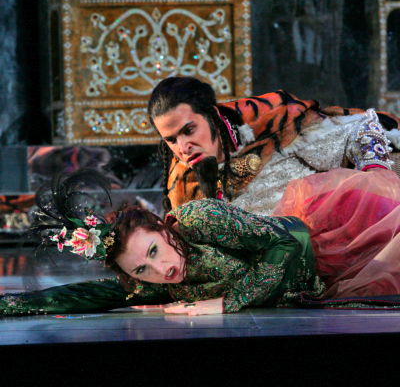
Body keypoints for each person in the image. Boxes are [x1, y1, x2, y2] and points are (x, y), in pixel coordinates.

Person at [1, 162, 400, 317]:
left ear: (162, 228)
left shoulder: (198, 220)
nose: (163, 269)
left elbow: (286, 242)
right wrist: (12, 304)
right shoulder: (147, 283)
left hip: (340, 239)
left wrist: (228, 301)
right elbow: (88, 295)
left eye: (155, 250)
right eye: (142, 268)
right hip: (318, 288)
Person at [147, 76, 400, 215]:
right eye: (171, 140)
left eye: (189, 130)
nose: (183, 147)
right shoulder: (182, 188)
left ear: (212, 115)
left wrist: (375, 177)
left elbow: (362, 127)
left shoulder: (274, 128)